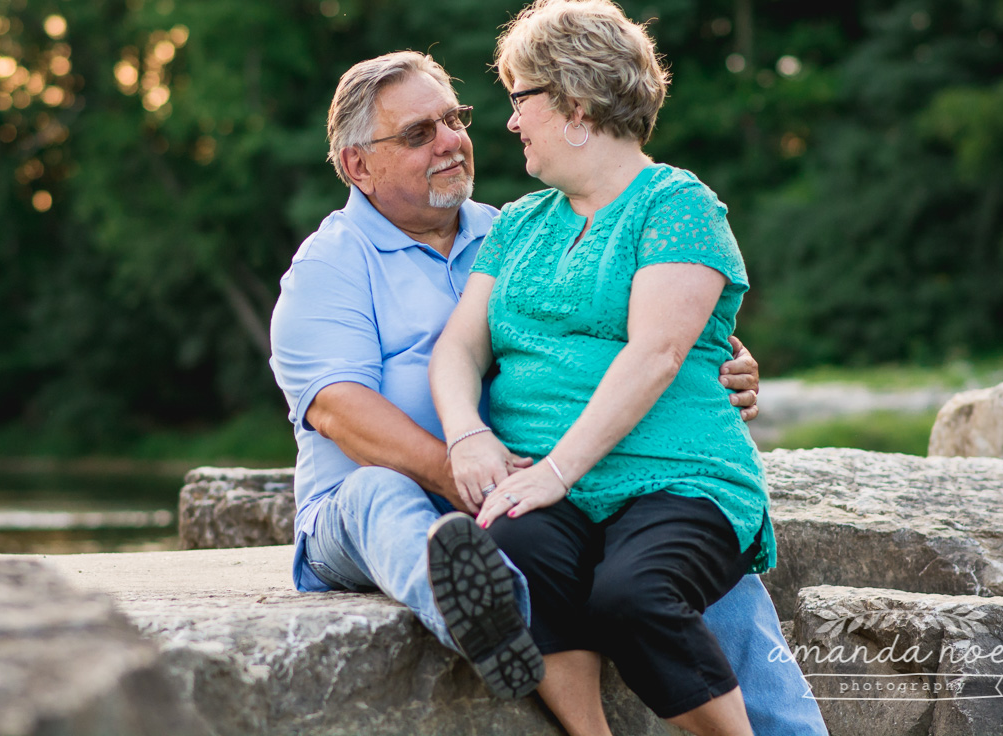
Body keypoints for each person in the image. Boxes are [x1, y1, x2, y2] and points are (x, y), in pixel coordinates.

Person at [269, 50, 823, 731]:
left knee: (684, 551)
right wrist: (462, 470)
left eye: (455, 118)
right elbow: (338, 411)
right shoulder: (330, 265)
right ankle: (483, 612)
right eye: (419, 134)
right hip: (371, 511)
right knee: (380, 493)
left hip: (534, 484)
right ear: (358, 166)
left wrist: (718, 359)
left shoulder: (514, 228)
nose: (451, 141)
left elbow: (623, 329)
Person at [429, 0, 811, 736]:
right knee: (511, 553)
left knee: (633, 596)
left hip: (675, 474)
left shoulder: (676, 204)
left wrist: (556, 471)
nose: (509, 122)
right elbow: (459, 347)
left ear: (574, 103)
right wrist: (467, 435)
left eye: (519, 100)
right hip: (546, 481)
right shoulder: (518, 224)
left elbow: (657, 352)